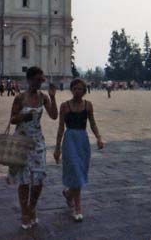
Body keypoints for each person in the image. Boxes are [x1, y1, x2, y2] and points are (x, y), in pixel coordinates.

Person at [8, 66, 58, 230]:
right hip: (21, 141)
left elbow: (54, 115)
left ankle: (32, 206)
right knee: (23, 180)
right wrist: (23, 116)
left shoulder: (43, 97)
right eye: (37, 80)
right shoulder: (20, 98)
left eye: (42, 80)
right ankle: (24, 211)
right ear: (29, 80)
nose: (40, 83)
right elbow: (13, 119)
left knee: (38, 179)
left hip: (37, 141)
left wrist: (53, 97)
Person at [54, 78, 103, 222]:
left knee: (80, 171)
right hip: (69, 140)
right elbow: (61, 128)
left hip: (82, 140)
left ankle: (69, 194)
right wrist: (57, 148)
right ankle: (78, 208)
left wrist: (99, 137)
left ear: (84, 91)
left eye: (80, 89)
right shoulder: (65, 106)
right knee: (75, 170)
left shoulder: (88, 106)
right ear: (71, 89)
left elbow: (92, 123)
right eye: (75, 88)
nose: (77, 91)